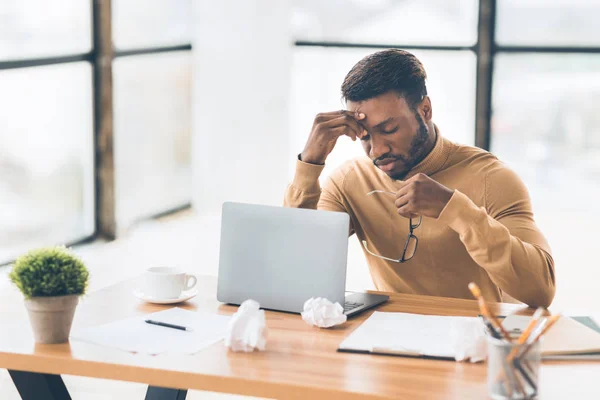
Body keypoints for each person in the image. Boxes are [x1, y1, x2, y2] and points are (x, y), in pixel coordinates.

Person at [284, 49, 555, 307]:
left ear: (425, 110)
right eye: (364, 135)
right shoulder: (348, 182)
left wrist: (455, 209)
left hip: (474, 343)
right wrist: (309, 164)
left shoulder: (491, 179)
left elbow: (540, 290)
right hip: (388, 341)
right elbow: (299, 267)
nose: (376, 150)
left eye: (389, 129)